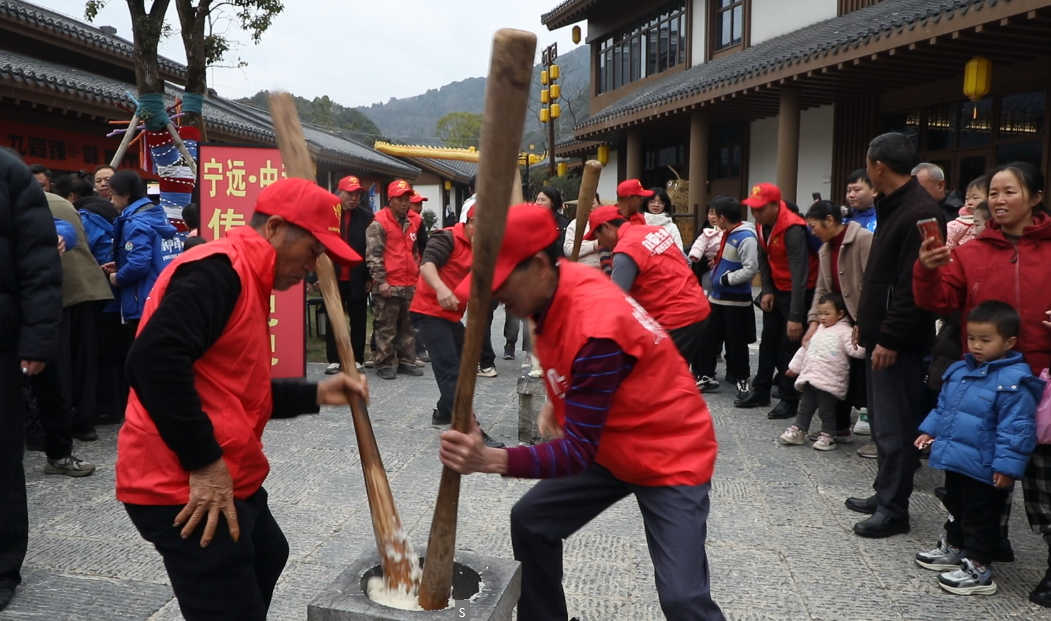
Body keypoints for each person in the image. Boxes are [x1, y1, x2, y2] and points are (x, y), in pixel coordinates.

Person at [441, 204, 725, 621]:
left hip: (669, 452)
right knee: (532, 521)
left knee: (683, 601)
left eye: (502, 284)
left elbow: (576, 452)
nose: (497, 297)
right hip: (612, 445)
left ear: (538, 264)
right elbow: (563, 355)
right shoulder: (558, 285)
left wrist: (490, 459)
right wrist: (558, 405)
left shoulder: (598, 327)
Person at [116, 178, 369, 621]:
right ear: (274, 228)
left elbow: (234, 390)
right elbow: (152, 361)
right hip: (179, 484)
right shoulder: (219, 271)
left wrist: (317, 394)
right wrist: (205, 462)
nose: (314, 265)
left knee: (268, 552)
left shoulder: (250, 279)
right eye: (312, 250)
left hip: (229, 469)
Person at [914, 161, 1051, 606]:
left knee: (1043, 482)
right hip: (986, 383)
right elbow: (938, 302)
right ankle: (986, 547)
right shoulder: (972, 252)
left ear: (1035, 197)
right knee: (982, 474)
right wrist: (928, 269)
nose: (998, 200)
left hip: (1044, 382)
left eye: (1009, 191)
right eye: (993, 192)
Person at [846, 132, 943, 539]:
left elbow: (913, 286)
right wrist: (867, 325)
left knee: (894, 426)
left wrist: (889, 337)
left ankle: (894, 508)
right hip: (880, 332)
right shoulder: (894, 205)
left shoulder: (920, 212)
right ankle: (884, 491)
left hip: (898, 341)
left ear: (878, 167)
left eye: (867, 165)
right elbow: (881, 278)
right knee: (885, 422)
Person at [913, 301, 1040, 596]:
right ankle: (955, 547)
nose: (977, 346)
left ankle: (980, 566)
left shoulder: (1014, 382)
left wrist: (1007, 468)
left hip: (984, 465)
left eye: (986, 340)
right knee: (955, 505)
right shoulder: (960, 371)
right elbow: (944, 406)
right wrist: (929, 430)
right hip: (956, 457)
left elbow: (1016, 429)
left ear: (1008, 342)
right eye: (972, 338)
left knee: (980, 515)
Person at [0, 147, 62, 613]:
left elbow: (39, 263)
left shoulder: (10, 173)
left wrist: (38, 340)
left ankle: (2, 567)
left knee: (1, 458)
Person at [408, 205, 505, 448]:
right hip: (428, 312)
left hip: (451, 317)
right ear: (470, 223)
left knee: (466, 365)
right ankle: (470, 430)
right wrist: (440, 288)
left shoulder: (482, 249)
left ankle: (443, 410)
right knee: (449, 369)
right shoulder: (446, 237)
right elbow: (426, 265)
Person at [31, 189, 113, 456]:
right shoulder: (61, 202)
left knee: (60, 361)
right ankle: (84, 421)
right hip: (87, 285)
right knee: (84, 358)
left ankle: (62, 421)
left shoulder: (27, 202)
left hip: (58, 290)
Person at [734, 183, 818, 421]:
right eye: (753, 209)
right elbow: (763, 256)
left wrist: (795, 315)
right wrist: (767, 290)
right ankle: (760, 390)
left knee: (789, 345)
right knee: (768, 341)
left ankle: (789, 399)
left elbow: (800, 274)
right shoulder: (762, 224)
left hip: (799, 292)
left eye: (760, 209)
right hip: (777, 289)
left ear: (774, 206)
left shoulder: (793, 228)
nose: (755, 214)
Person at [588, 205, 710, 364]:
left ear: (606, 227)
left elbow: (615, 301)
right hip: (698, 306)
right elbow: (686, 262)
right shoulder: (654, 230)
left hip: (677, 320)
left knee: (658, 377)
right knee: (674, 375)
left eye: (597, 236)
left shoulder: (625, 251)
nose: (599, 243)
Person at [802, 200, 872, 448]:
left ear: (829, 221)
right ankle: (839, 428)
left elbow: (874, 283)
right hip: (838, 318)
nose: (812, 231)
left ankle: (876, 434)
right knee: (836, 371)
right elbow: (822, 289)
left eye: (813, 226)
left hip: (863, 317)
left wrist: (864, 320)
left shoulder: (862, 239)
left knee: (866, 379)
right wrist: (813, 322)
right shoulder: (825, 248)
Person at [779, 292, 865, 451]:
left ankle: (829, 435)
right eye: (820, 313)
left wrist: (865, 346)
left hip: (830, 380)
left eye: (827, 313)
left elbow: (855, 351)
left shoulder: (845, 331)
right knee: (804, 407)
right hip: (810, 377)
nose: (823, 317)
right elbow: (805, 350)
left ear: (840, 314)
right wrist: (794, 367)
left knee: (827, 410)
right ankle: (799, 429)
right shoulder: (818, 329)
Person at [694, 196, 757, 398]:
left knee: (736, 341)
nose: (712, 218)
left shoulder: (746, 237)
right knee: (707, 337)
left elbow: (751, 269)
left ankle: (741, 380)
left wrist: (726, 279)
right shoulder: (726, 233)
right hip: (716, 297)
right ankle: (705, 375)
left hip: (736, 299)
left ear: (722, 218)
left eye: (715, 214)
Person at [105, 170, 184, 326]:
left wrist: (118, 278)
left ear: (126, 195)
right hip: (164, 296)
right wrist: (121, 262)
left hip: (142, 302)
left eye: (113, 194)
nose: (110, 200)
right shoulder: (159, 216)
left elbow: (139, 264)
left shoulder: (135, 223)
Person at [365, 179, 423, 380]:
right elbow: (373, 255)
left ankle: (407, 361)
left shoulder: (411, 222)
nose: (405, 203)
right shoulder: (379, 222)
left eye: (407, 198)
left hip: (409, 283)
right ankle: (384, 362)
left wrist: (417, 276)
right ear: (390, 200)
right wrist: (380, 281)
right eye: (400, 199)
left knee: (408, 326)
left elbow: (414, 252)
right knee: (386, 327)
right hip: (388, 283)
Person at [324, 176, 373, 375]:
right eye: (350, 194)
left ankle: (356, 358)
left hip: (357, 276)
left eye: (358, 194)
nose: (354, 198)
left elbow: (372, 249)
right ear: (339, 193)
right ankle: (335, 359)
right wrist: (313, 276)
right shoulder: (327, 214)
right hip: (332, 275)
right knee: (333, 319)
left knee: (358, 318)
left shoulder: (367, 216)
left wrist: (371, 276)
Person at [946, 176, 988, 250]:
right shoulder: (958, 223)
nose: (969, 202)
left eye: (975, 198)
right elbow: (948, 242)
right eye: (967, 199)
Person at [562, 193, 603, 269]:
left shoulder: (607, 223)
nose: (590, 207)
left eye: (593, 203)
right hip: (580, 271)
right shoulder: (574, 224)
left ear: (599, 204)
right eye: (586, 204)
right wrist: (593, 245)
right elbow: (568, 250)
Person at [645, 187, 685, 252]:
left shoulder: (672, 227)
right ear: (646, 203)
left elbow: (679, 251)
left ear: (665, 205)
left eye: (660, 202)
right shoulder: (639, 223)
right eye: (652, 201)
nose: (656, 205)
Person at [688, 205, 724, 270]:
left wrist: (717, 259)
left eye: (717, 213)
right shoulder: (706, 232)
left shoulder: (730, 232)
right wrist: (695, 255)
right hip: (708, 267)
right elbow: (699, 244)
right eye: (711, 213)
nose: (714, 217)